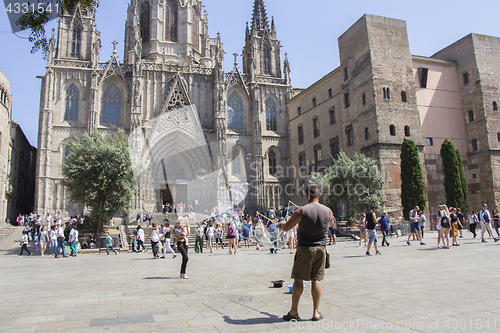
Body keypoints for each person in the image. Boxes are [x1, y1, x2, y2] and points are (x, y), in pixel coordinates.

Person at [279, 184, 333, 321]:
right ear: (319, 196)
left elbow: (287, 227)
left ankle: (294, 311)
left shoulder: (301, 211)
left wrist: (281, 225)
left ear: (307, 196)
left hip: (304, 248)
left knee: (298, 279)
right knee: (317, 279)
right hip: (321, 249)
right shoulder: (328, 211)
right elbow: (331, 224)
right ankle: (316, 312)